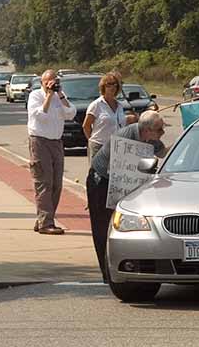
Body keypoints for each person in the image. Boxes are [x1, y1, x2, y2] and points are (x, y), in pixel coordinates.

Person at [87, 110, 167, 280]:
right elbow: (118, 168)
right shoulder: (125, 137)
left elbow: (162, 153)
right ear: (147, 130)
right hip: (101, 179)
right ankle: (107, 273)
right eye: (159, 130)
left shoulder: (152, 139)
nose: (162, 133)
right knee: (103, 227)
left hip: (125, 184)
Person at [27, 69, 76, 235]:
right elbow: (40, 116)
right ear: (42, 82)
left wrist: (60, 95)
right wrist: (48, 95)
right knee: (44, 182)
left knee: (56, 184)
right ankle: (46, 223)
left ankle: (44, 219)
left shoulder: (59, 97)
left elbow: (71, 113)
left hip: (56, 142)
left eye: (55, 81)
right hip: (40, 142)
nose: (53, 84)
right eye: (49, 81)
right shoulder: (35, 96)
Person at [82, 72, 127, 165]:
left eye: (115, 84)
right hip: (99, 146)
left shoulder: (120, 106)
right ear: (103, 86)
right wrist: (93, 141)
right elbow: (86, 126)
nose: (112, 87)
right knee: (97, 176)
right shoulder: (96, 105)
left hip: (116, 147)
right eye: (109, 84)